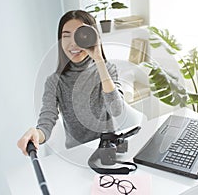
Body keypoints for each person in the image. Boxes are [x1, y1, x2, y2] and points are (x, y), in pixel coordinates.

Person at [17, 10, 125, 155]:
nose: (73, 44)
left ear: (93, 37)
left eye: (80, 36)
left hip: (109, 148)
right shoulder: (54, 81)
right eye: (66, 36)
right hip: (78, 153)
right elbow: (46, 120)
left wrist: (99, 59)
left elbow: (117, 110)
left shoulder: (108, 70)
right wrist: (36, 133)